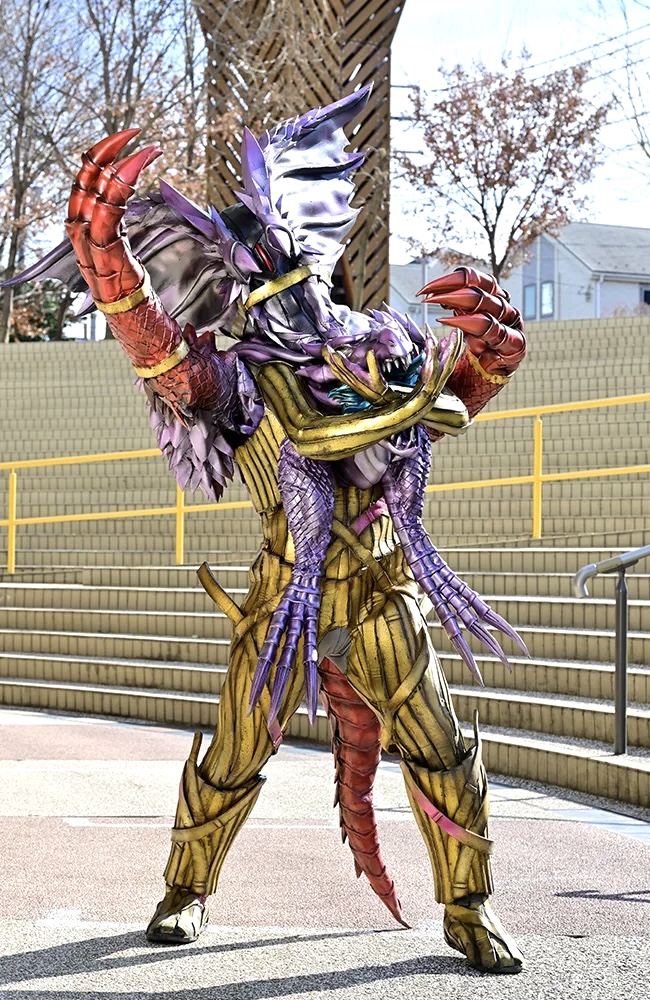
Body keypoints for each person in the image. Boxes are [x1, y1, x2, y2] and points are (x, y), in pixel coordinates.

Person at [19, 88, 526, 973]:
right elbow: (161, 358)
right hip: (281, 599)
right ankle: (185, 890)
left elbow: (448, 404)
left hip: (384, 592)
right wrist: (109, 270)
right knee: (236, 752)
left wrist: (493, 353)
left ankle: (468, 907)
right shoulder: (234, 379)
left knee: (441, 749)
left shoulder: (383, 347)